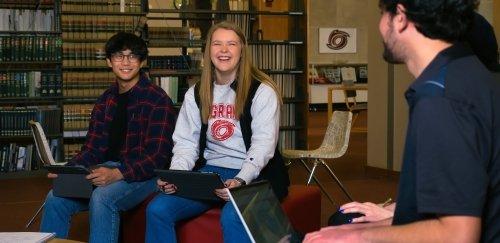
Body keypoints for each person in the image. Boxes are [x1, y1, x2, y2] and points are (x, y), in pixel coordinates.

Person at [304, 0, 500, 242]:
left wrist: (360, 236)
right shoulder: (468, 72)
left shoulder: (439, 98)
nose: (380, 26)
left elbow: (457, 235)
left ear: (400, 16)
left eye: (381, 14)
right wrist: (395, 212)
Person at [145, 21, 290, 243]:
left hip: (253, 172)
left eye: (231, 44)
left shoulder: (262, 91)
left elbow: (263, 145)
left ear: (242, 50)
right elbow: (186, 143)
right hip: (210, 173)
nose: (224, 50)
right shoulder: (196, 93)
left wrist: (241, 180)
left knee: (233, 216)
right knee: (157, 209)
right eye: (217, 44)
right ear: (208, 50)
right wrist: (177, 175)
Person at [39, 32, 176, 243]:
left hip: (145, 175)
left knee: (102, 197)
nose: (126, 62)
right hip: (107, 169)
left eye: (132, 57)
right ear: (109, 61)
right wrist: (67, 170)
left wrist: (118, 174)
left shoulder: (158, 100)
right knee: (55, 197)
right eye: (119, 56)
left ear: (141, 62)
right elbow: (92, 149)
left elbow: (158, 157)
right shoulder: (105, 100)